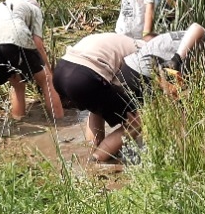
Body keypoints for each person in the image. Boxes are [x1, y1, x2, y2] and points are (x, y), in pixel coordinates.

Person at [52, 33, 141, 162]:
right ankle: (98, 159)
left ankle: (91, 150)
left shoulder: (121, 40)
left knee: (96, 107)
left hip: (61, 71)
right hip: (85, 75)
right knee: (136, 122)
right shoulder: (144, 52)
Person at [0, 0, 64, 120]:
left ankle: (18, 121)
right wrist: (48, 69)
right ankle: (59, 121)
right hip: (14, 35)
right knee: (47, 81)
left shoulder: (2, 5)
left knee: (17, 84)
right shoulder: (34, 8)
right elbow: (38, 43)